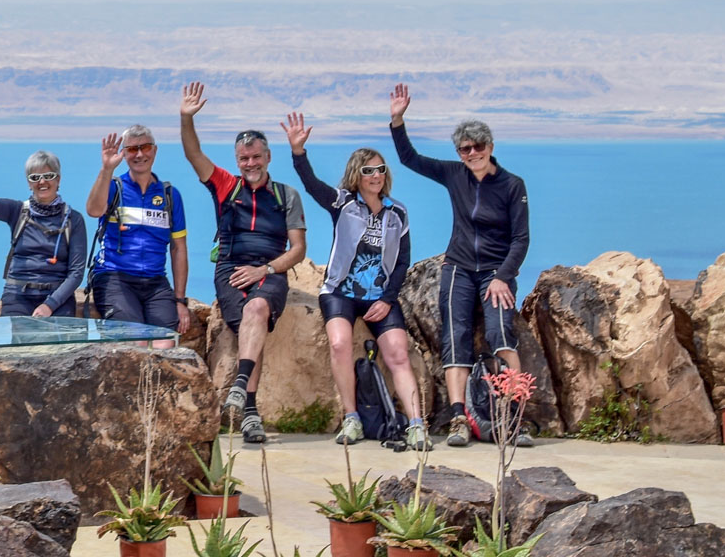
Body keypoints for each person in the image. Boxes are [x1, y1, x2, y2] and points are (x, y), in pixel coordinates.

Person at [387, 84, 534, 448]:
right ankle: (458, 419)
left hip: (496, 272)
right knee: (456, 338)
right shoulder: (455, 175)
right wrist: (397, 120)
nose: (472, 154)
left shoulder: (513, 186)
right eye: (464, 149)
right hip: (459, 268)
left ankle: (514, 416)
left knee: (501, 335)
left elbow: (521, 239)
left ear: (491, 147)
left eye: (478, 147)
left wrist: (503, 277)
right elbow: (410, 159)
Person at [283, 112, 430, 451]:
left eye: (380, 169)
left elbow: (402, 259)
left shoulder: (398, 212)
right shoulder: (343, 203)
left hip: (381, 296)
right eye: (368, 170)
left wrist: (387, 298)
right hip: (340, 293)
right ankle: (352, 418)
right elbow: (311, 185)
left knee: (397, 352)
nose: (375, 175)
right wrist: (298, 152)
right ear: (357, 175)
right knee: (339, 344)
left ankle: (416, 424)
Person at [178, 82, 307, 445]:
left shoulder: (286, 196)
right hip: (231, 269)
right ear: (238, 162)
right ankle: (250, 412)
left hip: (269, 269)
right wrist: (186, 118)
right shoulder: (226, 186)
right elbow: (193, 154)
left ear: (267, 158)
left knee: (258, 309)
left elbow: (297, 249)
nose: (250, 164)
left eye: (256, 157)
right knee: (253, 324)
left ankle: (240, 390)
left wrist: (266, 270)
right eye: (244, 159)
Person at [84, 124, 191, 346]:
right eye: (132, 149)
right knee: (137, 341)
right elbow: (94, 210)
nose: (140, 154)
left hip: (155, 281)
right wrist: (106, 170)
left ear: (155, 150)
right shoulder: (115, 187)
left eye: (145, 147)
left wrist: (180, 300)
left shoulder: (170, 195)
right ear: (124, 154)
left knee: (166, 343)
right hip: (114, 277)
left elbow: (178, 248)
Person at [0, 129, 88, 317]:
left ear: (58, 179)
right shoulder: (17, 212)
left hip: (57, 297)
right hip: (17, 295)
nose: (42, 182)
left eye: (48, 176)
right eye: (35, 177)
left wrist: (50, 305)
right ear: (29, 183)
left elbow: (76, 272)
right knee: (17, 345)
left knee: (62, 346)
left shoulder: (74, 219)